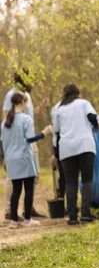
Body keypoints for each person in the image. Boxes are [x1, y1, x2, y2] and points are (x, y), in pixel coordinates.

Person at [1, 92, 53, 228]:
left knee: (16, 189)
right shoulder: (26, 119)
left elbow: (2, 143)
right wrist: (45, 133)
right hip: (24, 158)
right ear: (22, 103)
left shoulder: (5, 123)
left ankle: (13, 220)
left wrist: (4, 159)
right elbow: (30, 139)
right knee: (29, 188)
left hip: (11, 159)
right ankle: (27, 219)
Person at [52, 83, 99, 225]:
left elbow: (57, 133)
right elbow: (92, 117)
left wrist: (56, 153)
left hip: (67, 149)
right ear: (77, 92)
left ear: (64, 94)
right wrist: (96, 126)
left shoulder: (60, 110)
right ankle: (85, 213)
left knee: (71, 182)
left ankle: (72, 216)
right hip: (85, 146)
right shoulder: (84, 103)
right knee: (87, 180)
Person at [2, 70, 46, 219]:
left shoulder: (26, 96)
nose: (32, 83)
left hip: (30, 138)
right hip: (20, 143)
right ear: (24, 80)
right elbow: (7, 120)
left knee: (34, 177)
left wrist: (41, 106)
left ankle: (28, 209)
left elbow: (30, 115)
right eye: (31, 79)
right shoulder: (11, 95)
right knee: (13, 178)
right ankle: (9, 210)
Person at [50, 101, 66, 198]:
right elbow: (56, 131)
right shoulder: (56, 109)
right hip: (60, 145)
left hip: (59, 144)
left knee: (64, 175)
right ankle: (62, 200)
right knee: (64, 175)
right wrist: (55, 154)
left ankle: (65, 201)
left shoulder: (55, 108)